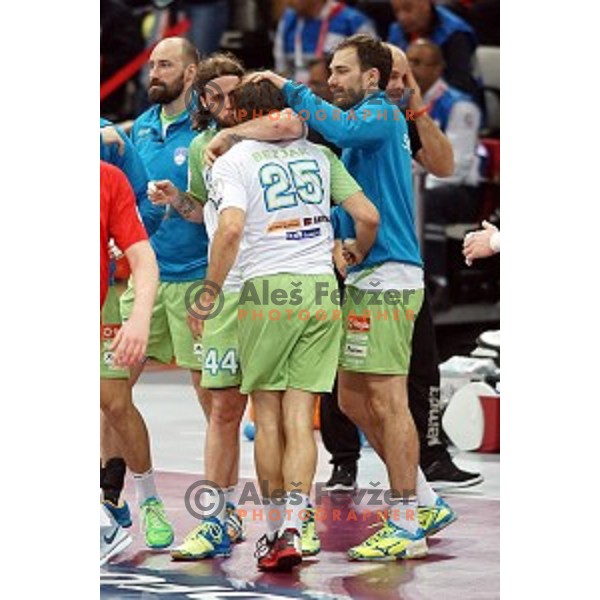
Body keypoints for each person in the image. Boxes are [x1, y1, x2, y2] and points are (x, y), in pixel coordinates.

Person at [249, 33, 457, 561]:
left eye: (341, 72)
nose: (332, 80)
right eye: (331, 72)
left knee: (387, 400)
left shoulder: (382, 113)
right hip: (366, 273)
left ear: (371, 77)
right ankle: (426, 501)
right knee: (349, 398)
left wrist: (288, 87)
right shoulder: (361, 126)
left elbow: (336, 126)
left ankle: (407, 520)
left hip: (390, 275)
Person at [189, 78, 379, 571]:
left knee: (268, 418)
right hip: (319, 289)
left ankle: (275, 534)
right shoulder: (319, 155)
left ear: (240, 116)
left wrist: (209, 291)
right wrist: (352, 253)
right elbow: (367, 215)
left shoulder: (232, 161)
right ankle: (297, 525)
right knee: (301, 418)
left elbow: (229, 229)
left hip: (267, 292)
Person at [142, 52, 314, 560]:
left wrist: (231, 135)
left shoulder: (279, 130)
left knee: (279, 411)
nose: (221, 104)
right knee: (222, 410)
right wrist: (178, 200)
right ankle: (219, 520)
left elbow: (293, 117)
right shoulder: (201, 146)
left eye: (230, 94)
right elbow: (206, 215)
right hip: (224, 287)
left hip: (268, 290)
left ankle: (292, 525)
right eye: (212, 96)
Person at [100, 160, 159, 565]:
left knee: (115, 403)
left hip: (101, 306)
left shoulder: (107, 177)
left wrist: (138, 316)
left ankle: (148, 499)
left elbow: (143, 257)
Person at [407, 38, 482, 310]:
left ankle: (437, 283)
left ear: (438, 68)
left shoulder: (460, 106)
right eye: (408, 61)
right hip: (420, 182)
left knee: (427, 199)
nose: (410, 69)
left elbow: (455, 167)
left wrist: (416, 182)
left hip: (462, 191)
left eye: (418, 62)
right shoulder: (402, 104)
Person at [387, 0, 480, 101]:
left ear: (426, 3)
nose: (402, 17)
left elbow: (461, 85)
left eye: (408, 9)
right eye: (396, 11)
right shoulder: (396, 31)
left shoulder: (455, 35)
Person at [274, 0, 377, 83]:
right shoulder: (288, 21)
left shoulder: (354, 22)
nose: (288, 2)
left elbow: (373, 64)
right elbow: (281, 68)